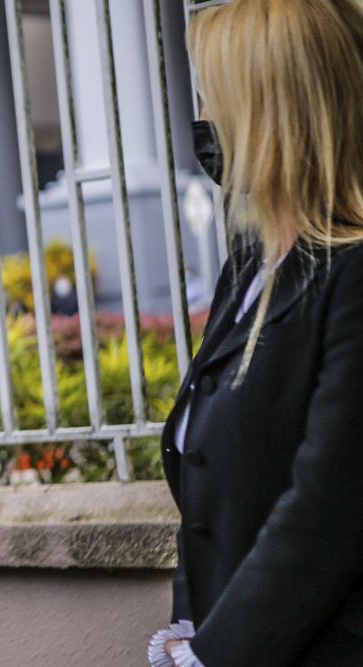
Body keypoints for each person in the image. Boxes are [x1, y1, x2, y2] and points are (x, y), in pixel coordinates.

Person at [148, 1, 363, 665]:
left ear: (271, 107)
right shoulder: (253, 262)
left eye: (213, 96)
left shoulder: (353, 271)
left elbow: (328, 508)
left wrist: (214, 653)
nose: (202, 119)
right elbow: (205, 485)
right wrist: (188, 628)